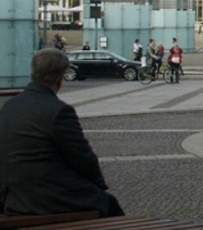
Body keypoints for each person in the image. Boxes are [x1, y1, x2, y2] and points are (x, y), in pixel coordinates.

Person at [0, 49, 124, 217]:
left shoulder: (10, 105)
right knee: (108, 204)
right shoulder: (59, 111)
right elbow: (82, 158)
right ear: (60, 78)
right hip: (41, 197)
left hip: (11, 193)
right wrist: (98, 185)